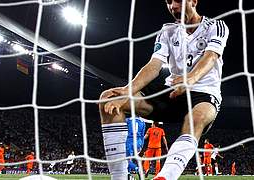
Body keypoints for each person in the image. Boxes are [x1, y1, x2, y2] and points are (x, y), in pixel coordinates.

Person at [98, 0, 229, 179]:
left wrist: (191, 79)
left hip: (204, 93)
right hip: (172, 93)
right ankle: (120, 176)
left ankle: (165, 176)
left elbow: (211, 57)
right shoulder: (167, 30)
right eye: (168, 1)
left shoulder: (216, 26)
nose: (173, 6)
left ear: (194, 1)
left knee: (195, 119)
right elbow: (154, 65)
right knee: (108, 98)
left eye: (178, 0)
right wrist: (129, 90)